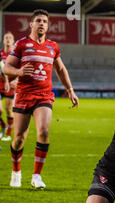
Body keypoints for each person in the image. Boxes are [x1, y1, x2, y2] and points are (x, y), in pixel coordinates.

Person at [3, 9, 79, 189]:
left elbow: (60, 69)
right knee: (19, 138)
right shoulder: (21, 44)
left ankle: (37, 176)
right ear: (31, 24)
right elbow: (7, 67)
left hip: (44, 96)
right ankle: (16, 171)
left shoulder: (53, 46)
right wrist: (19, 72)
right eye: (38, 20)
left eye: (45, 21)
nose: (42, 23)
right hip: (23, 95)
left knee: (44, 132)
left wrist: (70, 90)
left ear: (47, 25)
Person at [0, 31, 17, 141]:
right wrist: (5, 80)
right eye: (6, 37)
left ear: (13, 40)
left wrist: (17, 80)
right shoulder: (0, 54)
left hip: (12, 85)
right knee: (0, 111)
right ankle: (3, 126)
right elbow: (2, 69)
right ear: (3, 40)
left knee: (9, 109)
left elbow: (20, 70)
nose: (8, 39)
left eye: (10, 38)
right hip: (0, 82)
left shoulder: (15, 55)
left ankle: (9, 134)